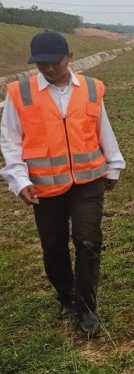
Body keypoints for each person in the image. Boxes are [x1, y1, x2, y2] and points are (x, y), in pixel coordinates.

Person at [0, 31, 126, 338]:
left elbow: (102, 127)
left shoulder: (91, 88)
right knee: (54, 246)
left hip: (88, 180)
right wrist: (19, 180)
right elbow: (10, 140)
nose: (49, 69)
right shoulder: (20, 93)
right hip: (44, 186)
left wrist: (114, 165)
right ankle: (66, 296)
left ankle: (86, 306)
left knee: (87, 241)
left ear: (68, 57)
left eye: (55, 62)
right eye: (41, 63)